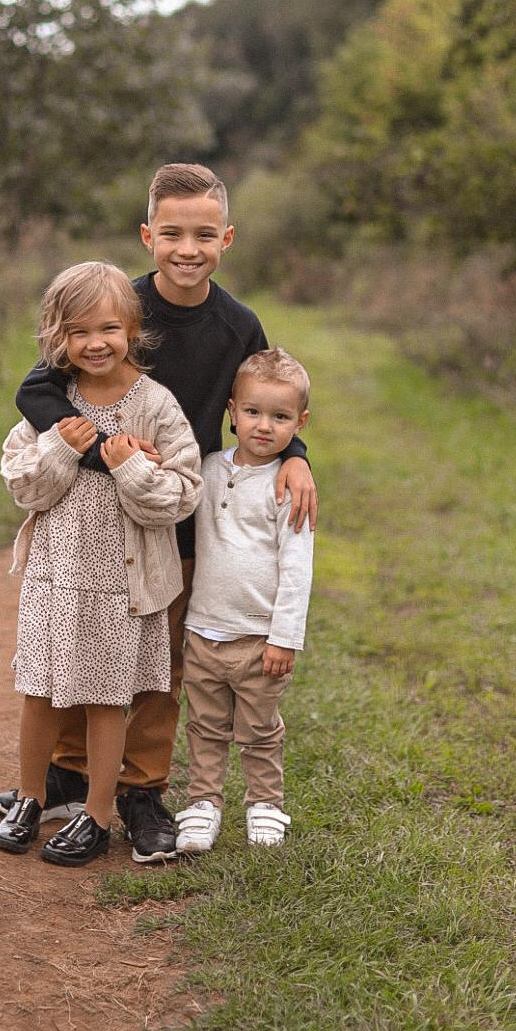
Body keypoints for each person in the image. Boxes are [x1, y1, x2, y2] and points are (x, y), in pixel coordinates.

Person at [0, 162, 318, 862]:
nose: (188, 249)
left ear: (225, 238)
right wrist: (102, 449)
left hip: (180, 511)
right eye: (172, 233)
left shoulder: (238, 325)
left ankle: (140, 790)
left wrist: (299, 455)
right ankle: (68, 777)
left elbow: (262, 400)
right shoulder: (117, 308)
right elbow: (37, 391)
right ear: (149, 236)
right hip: (94, 510)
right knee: (81, 654)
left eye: (204, 234)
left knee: (160, 663)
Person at [0, 261, 201, 867]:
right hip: (55, 580)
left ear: (132, 329)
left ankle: (98, 813)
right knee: (39, 691)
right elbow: (25, 487)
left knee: (108, 698)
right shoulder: (54, 405)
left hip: (122, 590)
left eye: (108, 328)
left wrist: (129, 466)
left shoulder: (157, 406)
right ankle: (31, 797)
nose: (95, 343)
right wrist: (61, 444)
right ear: (58, 338)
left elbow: (182, 493)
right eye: (78, 331)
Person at [174, 348, 314, 853]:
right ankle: (202, 805)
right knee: (206, 726)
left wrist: (284, 638)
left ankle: (265, 805)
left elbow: (298, 570)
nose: (263, 426)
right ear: (232, 410)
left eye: (279, 418)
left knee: (258, 730)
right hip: (204, 628)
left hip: (259, 639)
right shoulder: (209, 468)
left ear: (300, 423)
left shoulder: (289, 486)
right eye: (252, 412)